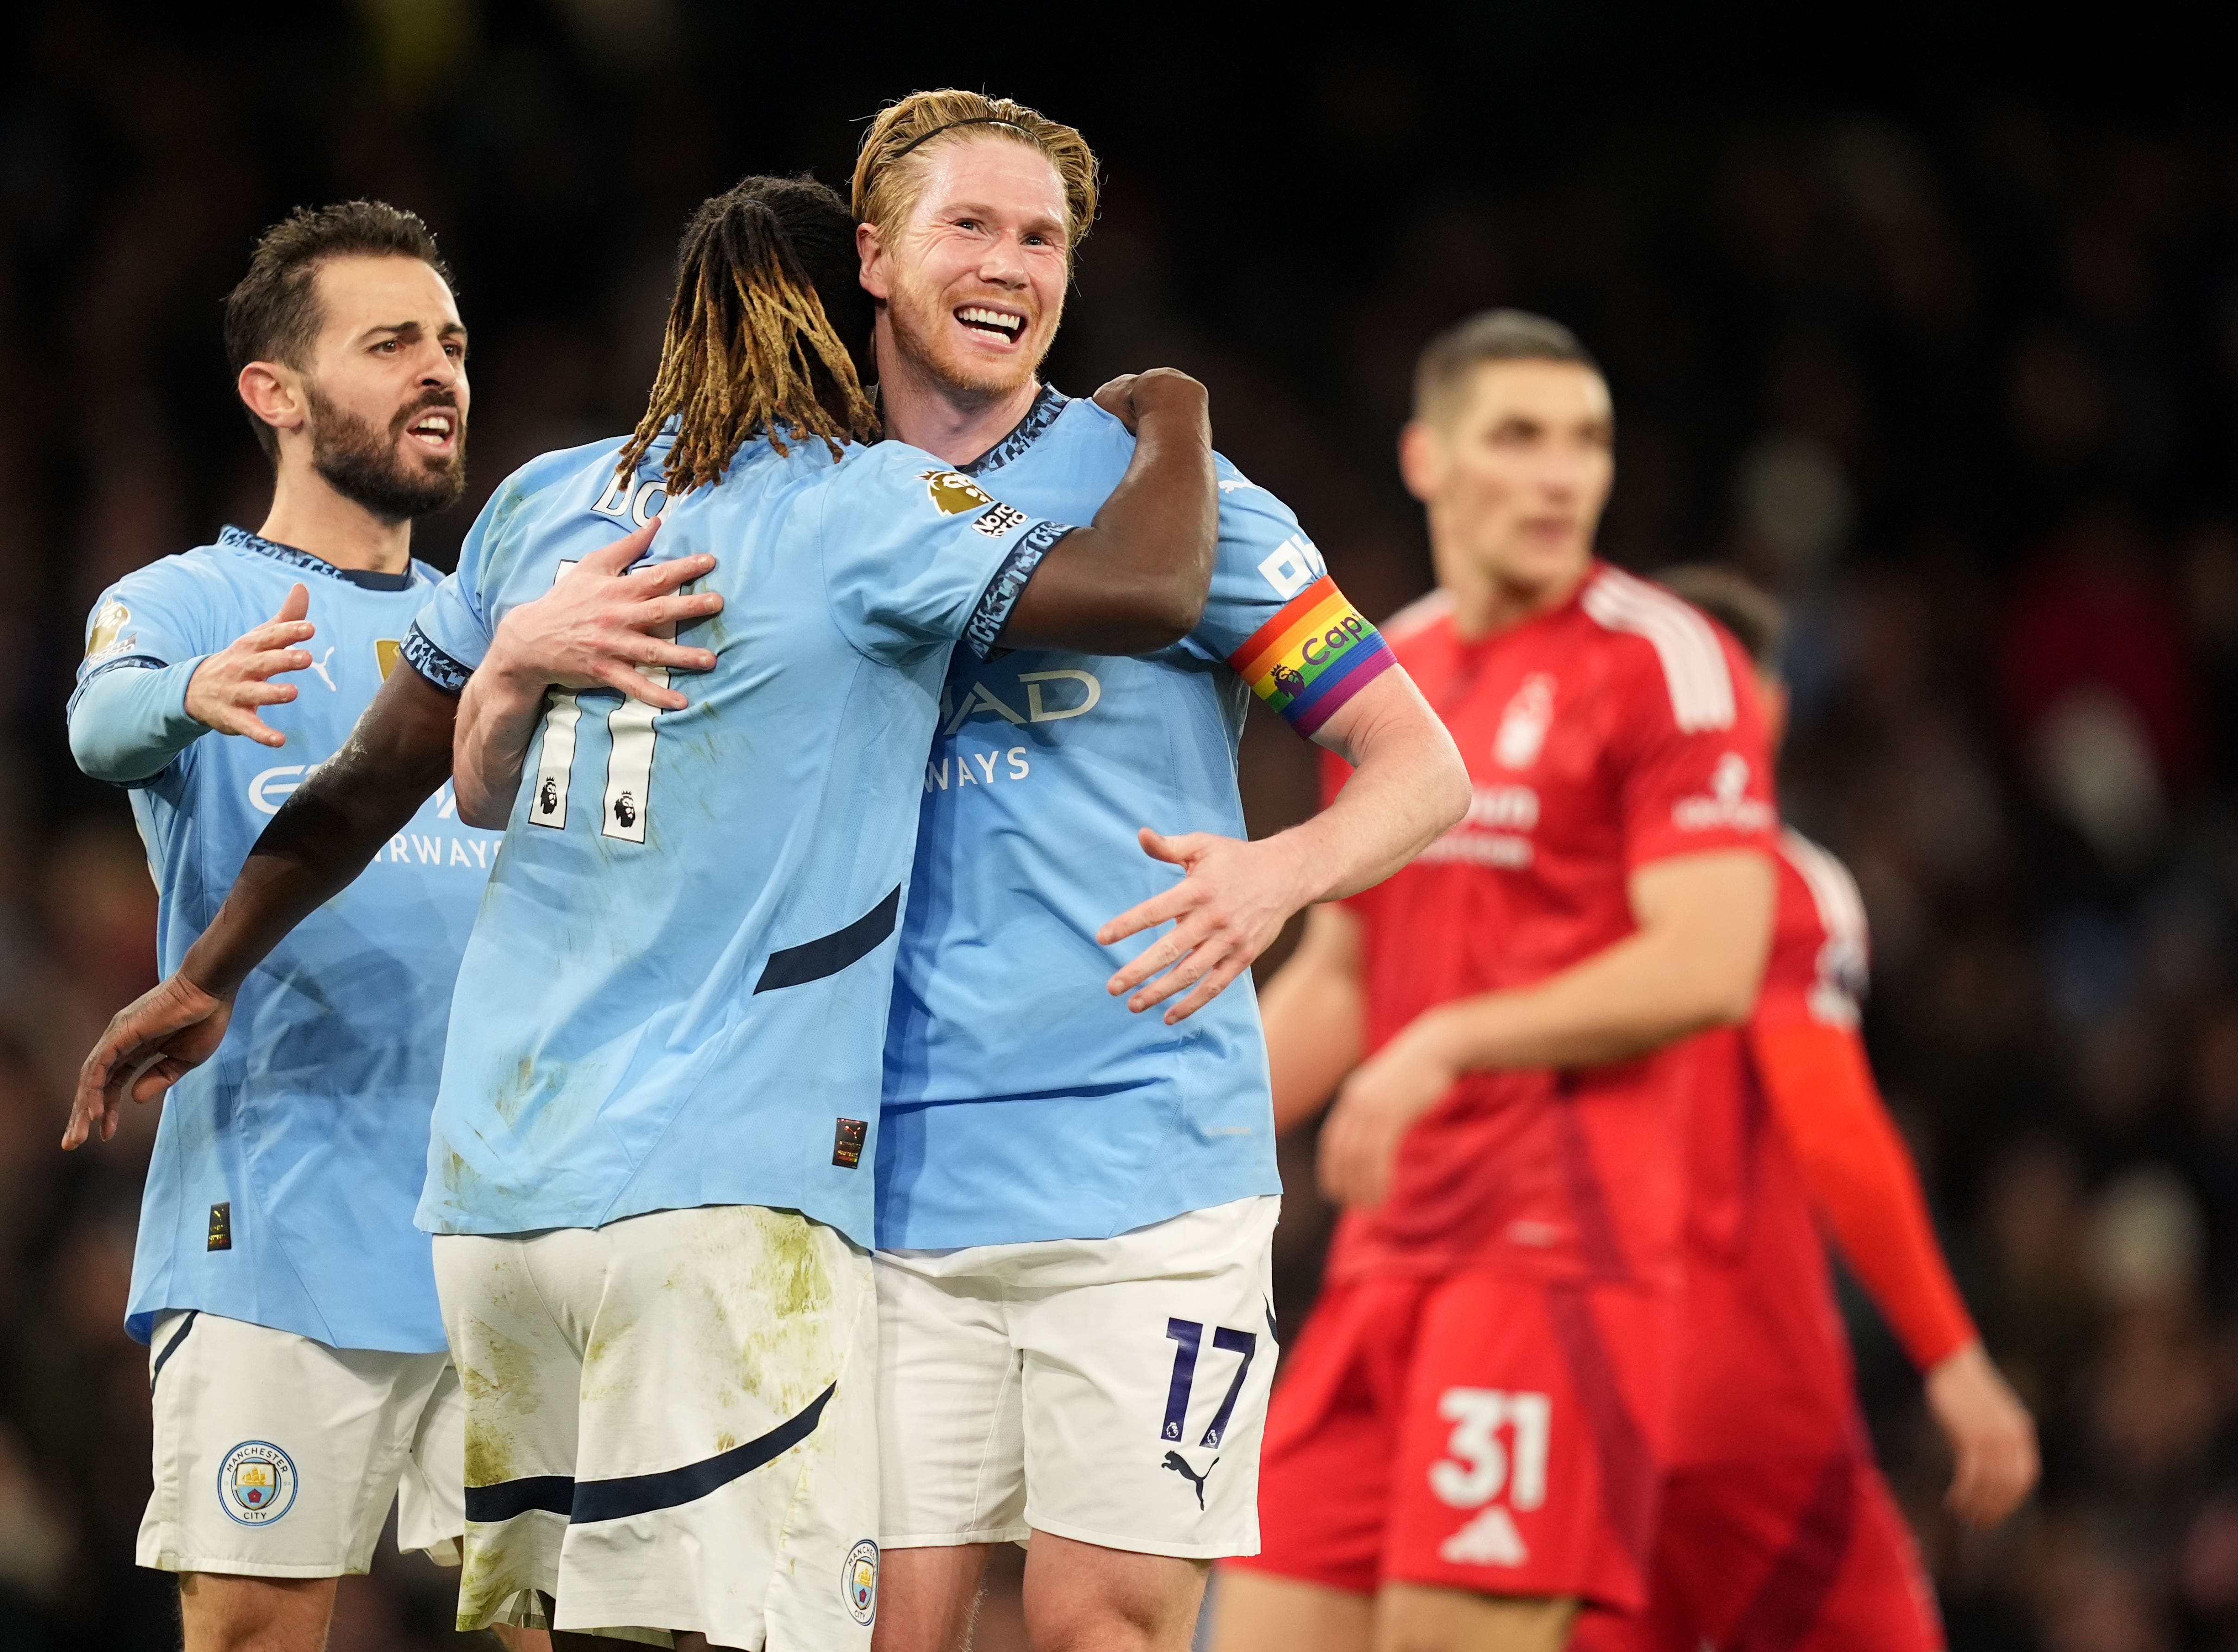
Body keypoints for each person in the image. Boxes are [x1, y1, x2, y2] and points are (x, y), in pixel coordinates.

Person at [69, 173, 1222, 1651]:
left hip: (499, 1203)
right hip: (720, 1195)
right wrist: (1173, 406)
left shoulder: (542, 502)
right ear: (843, 320)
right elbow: (1146, 587)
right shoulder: (861, 505)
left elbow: (358, 791)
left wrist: (210, 969)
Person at [843, 90, 1472, 1652]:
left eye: (1041, 236)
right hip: (871, 1179)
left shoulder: (1180, 503)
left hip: (1145, 1174)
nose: (1009, 264)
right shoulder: (803, 505)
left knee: (1101, 1632)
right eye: (967, 226)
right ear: (871, 255)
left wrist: (1280, 873)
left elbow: (1421, 765)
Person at [1210, 310, 1779, 1652]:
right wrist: (1177, 1124)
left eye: (1585, 443)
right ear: (1426, 458)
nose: (1559, 477)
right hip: (1384, 1262)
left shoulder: (1664, 660)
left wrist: (1452, 1041)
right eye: (1517, 438)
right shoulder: (1386, 671)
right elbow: (1346, 975)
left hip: (1552, 1267)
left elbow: (1712, 958)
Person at [60, 202, 578, 1651]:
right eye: (391, 342)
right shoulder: (187, 601)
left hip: (502, 1226)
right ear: (274, 394)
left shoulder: (502, 630)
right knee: (254, 1633)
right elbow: (102, 727)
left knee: (545, 1631)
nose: (440, 372)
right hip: (280, 1222)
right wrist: (187, 696)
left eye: (453, 343)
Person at [1564, 566, 2037, 1652]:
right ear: (1767, 709)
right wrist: (1951, 1356)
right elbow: (1828, 1119)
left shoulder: (1531, 887)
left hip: (1561, 1399)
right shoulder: (1777, 885)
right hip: (1742, 1405)